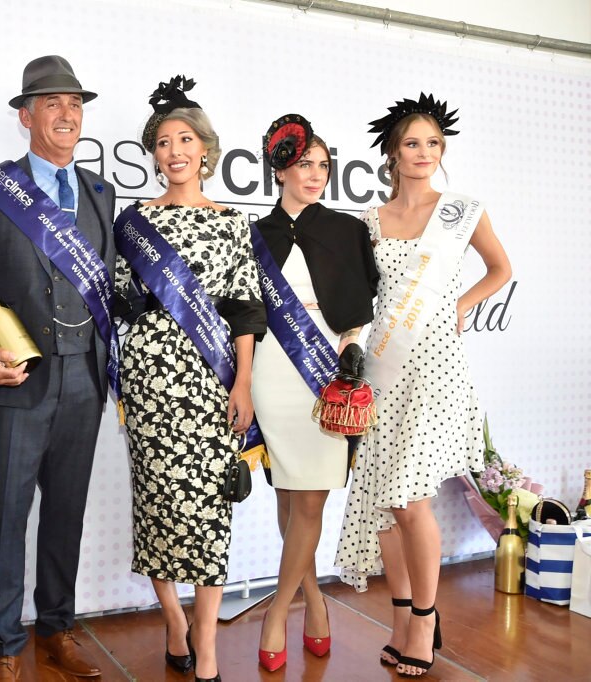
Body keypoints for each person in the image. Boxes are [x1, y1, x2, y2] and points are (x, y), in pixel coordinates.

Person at [0, 55, 117, 682]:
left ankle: (57, 631)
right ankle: (3, 646)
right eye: (52, 103)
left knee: (66, 512)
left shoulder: (101, 193)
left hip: (84, 381)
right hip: (16, 382)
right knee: (8, 517)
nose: (67, 113)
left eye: (75, 103)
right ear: (26, 116)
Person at [335, 94, 511, 678]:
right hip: (385, 365)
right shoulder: (370, 219)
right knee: (386, 497)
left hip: (436, 365)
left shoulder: (462, 210)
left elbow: (500, 269)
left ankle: (427, 620)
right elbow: (362, 297)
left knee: (411, 498)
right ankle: (404, 618)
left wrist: (459, 307)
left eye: (434, 144)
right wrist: (351, 345)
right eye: (413, 143)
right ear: (392, 151)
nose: (424, 153)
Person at [113, 75, 266, 682]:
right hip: (149, 376)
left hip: (211, 381)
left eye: (184, 139)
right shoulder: (134, 223)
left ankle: (204, 641)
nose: (173, 151)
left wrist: (244, 382)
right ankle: (172, 619)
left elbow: (246, 310)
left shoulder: (232, 223)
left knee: (208, 511)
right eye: (162, 142)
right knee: (155, 502)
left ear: (206, 148)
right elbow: (120, 300)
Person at [250, 114, 378, 672]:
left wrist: (353, 347)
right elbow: (242, 314)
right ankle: (315, 599)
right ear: (280, 167)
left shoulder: (347, 230)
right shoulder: (254, 233)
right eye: (305, 164)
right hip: (271, 371)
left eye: (324, 166)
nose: (316, 174)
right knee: (288, 495)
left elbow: (364, 308)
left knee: (310, 498)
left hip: (327, 368)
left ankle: (279, 613)